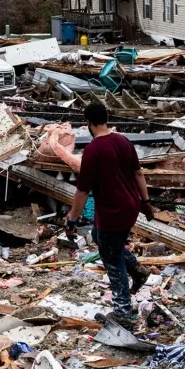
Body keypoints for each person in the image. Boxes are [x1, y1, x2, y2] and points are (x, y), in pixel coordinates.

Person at [66, 102, 153, 326]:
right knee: (100, 238)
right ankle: (137, 269)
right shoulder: (123, 140)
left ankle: (122, 312)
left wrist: (72, 219)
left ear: (88, 123)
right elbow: (138, 173)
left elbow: (82, 191)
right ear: (106, 118)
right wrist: (146, 202)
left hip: (112, 211)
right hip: (131, 206)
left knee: (112, 260)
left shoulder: (93, 150)